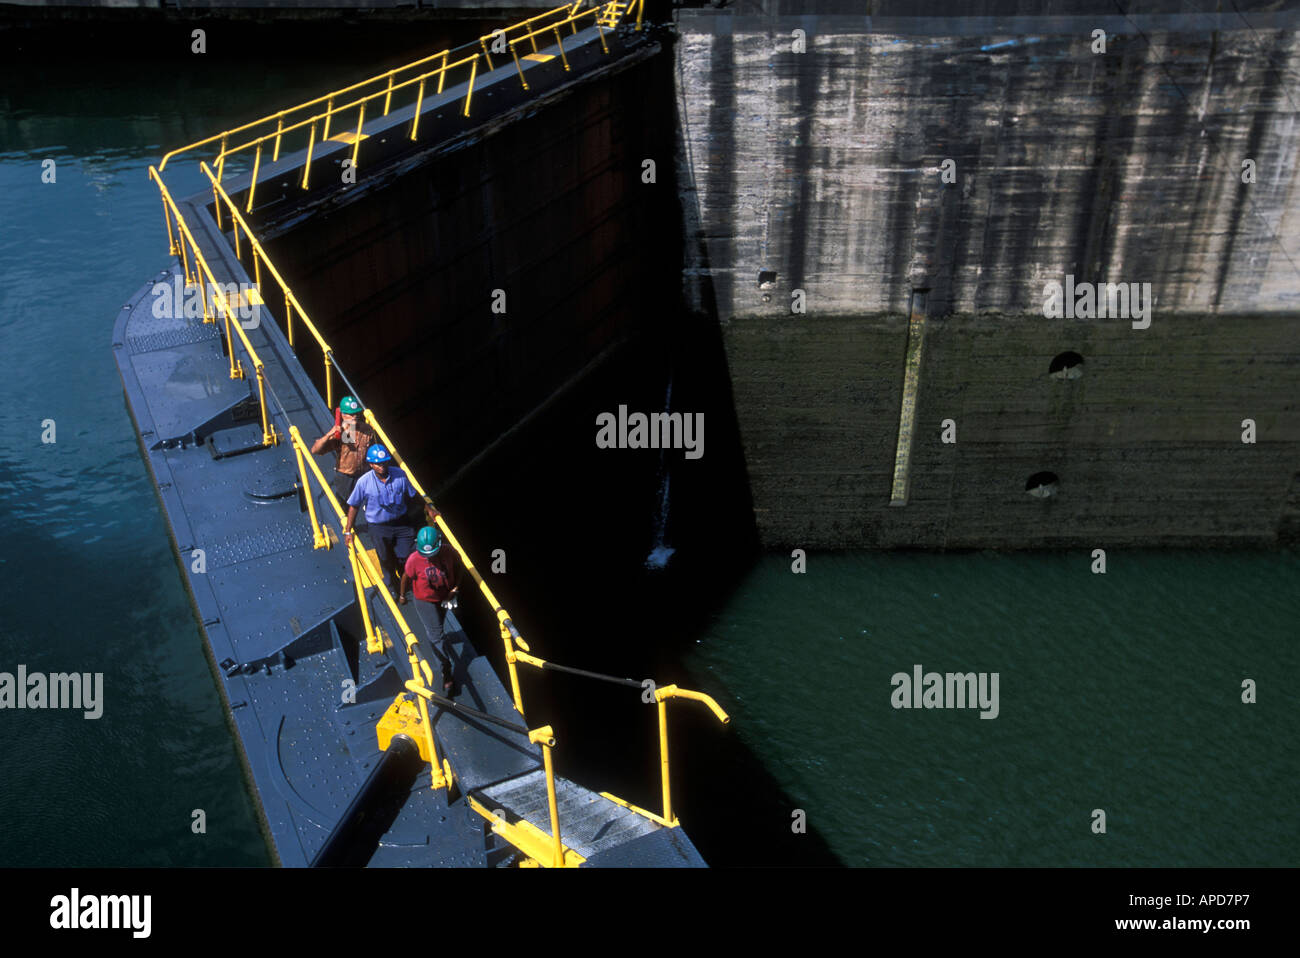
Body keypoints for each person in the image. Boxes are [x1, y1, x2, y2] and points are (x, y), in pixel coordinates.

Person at [342, 443, 435, 595]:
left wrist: (429, 508)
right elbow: (354, 506)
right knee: (385, 559)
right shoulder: (364, 482)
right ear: (371, 464)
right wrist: (347, 531)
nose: (382, 466)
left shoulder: (400, 475)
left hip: (401, 524)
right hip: (378, 527)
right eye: (378, 464)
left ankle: (407, 580)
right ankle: (393, 586)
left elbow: (414, 494)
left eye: (384, 462)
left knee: (407, 555)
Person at [398, 525, 462, 693]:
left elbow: (459, 566)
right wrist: (403, 595)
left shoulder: (449, 551)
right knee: (436, 636)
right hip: (425, 601)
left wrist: (455, 588)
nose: (430, 558)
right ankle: (446, 671)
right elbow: (405, 577)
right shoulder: (414, 559)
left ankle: (439, 644)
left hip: (445, 597)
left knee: (439, 628)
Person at [310, 396, 375, 505]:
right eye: (351, 414)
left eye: (356, 414)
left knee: (368, 502)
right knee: (345, 503)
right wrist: (329, 434)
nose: (355, 417)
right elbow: (315, 450)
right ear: (343, 415)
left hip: (363, 474)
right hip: (346, 477)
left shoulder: (367, 429)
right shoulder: (340, 434)